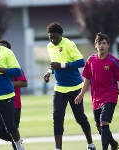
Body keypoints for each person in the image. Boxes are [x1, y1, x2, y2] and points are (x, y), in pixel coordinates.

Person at [43, 22, 96, 150]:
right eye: (50, 37)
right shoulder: (49, 46)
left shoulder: (69, 44)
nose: (53, 40)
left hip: (75, 87)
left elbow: (81, 62)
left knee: (79, 118)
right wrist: (49, 72)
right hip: (59, 88)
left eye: (55, 37)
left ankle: (90, 144)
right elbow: (54, 63)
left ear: (61, 35)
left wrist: (61, 65)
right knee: (57, 118)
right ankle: (58, 148)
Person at [75, 32, 119, 150]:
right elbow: (87, 79)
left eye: (104, 43)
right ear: (95, 45)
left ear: (108, 45)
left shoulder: (114, 61)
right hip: (95, 98)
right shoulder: (90, 60)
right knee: (99, 127)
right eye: (99, 43)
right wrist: (81, 93)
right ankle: (114, 145)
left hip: (110, 96)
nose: (101, 46)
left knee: (104, 122)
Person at [0, 40, 28, 150]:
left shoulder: (15, 67)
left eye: (5, 48)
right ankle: (18, 140)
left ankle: (17, 144)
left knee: (12, 129)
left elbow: (24, 83)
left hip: (14, 104)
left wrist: (7, 83)